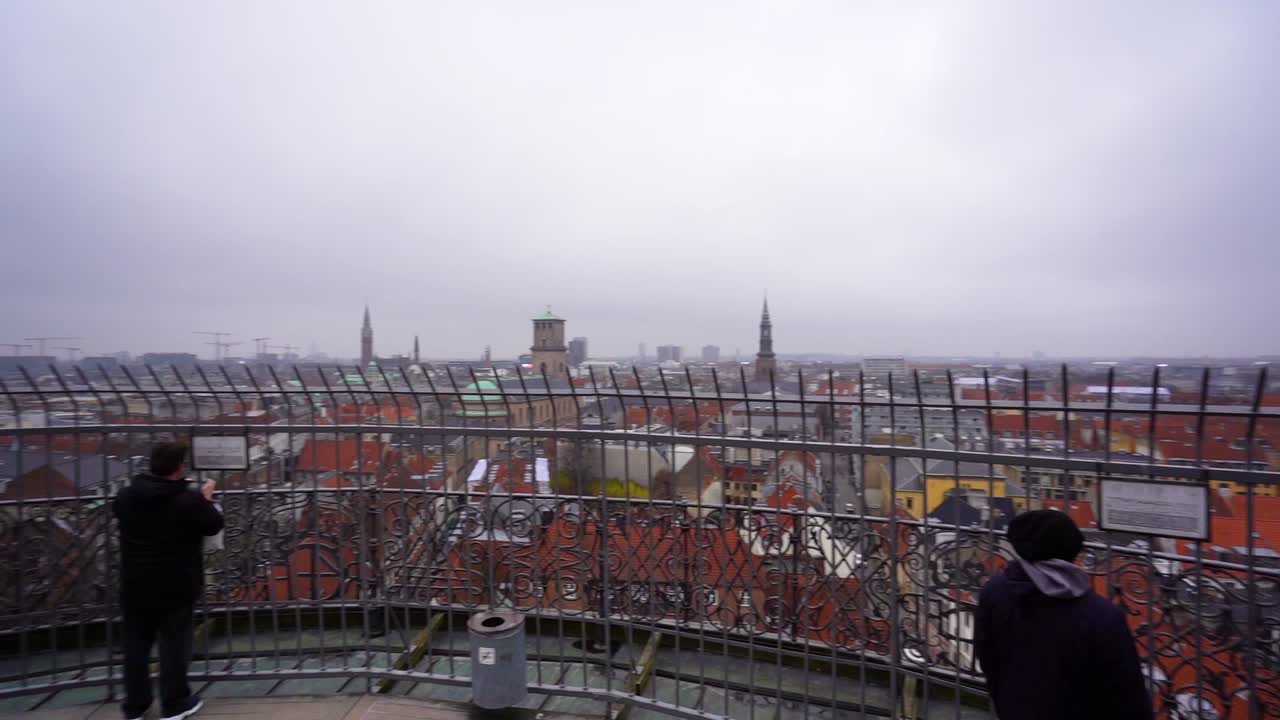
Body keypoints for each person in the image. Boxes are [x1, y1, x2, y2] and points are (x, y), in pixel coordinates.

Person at [974, 509, 1152, 720]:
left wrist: (1005, 698)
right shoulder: (1104, 616)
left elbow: (987, 656)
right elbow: (1128, 693)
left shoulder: (995, 591)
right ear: (1074, 552)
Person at [114, 442, 224, 720]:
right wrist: (206, 499)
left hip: (135, 583)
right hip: (176, 584)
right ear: (179, 468)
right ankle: (174, 703)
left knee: (136, 646)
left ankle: (135, 706)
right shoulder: (187, 500)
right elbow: (213, 525)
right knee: (174, 644)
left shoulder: (126, 496)